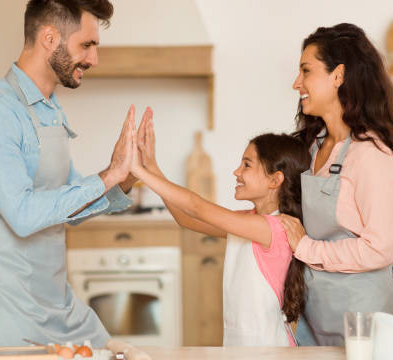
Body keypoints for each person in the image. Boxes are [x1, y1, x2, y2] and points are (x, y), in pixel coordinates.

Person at [0, 0, 142, 348]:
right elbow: (22, 215)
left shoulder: (50, 109)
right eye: (87, 45)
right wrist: (106, 176)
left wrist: (122, 181)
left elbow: (65, 207)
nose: (93, 59)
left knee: (110, 352)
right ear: (50, 37)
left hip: (48, 292)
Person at [279, 23, 393, 346]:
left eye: (306, 71)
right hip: (317, 313)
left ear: (338, 76)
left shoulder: (372, 157)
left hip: (365, 321)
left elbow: (379, 249)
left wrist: (306, 247)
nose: (297, 83)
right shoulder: (314, 148)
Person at [131, 109, 311, 346]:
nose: (237, 172)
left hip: (270, 349)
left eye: (247, 165)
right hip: (241, 345)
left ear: (274, 180)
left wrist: (137, 170)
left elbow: (197, 207)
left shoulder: (273, 228)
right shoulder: (249, 221)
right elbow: (186, 219)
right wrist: (151, 165)